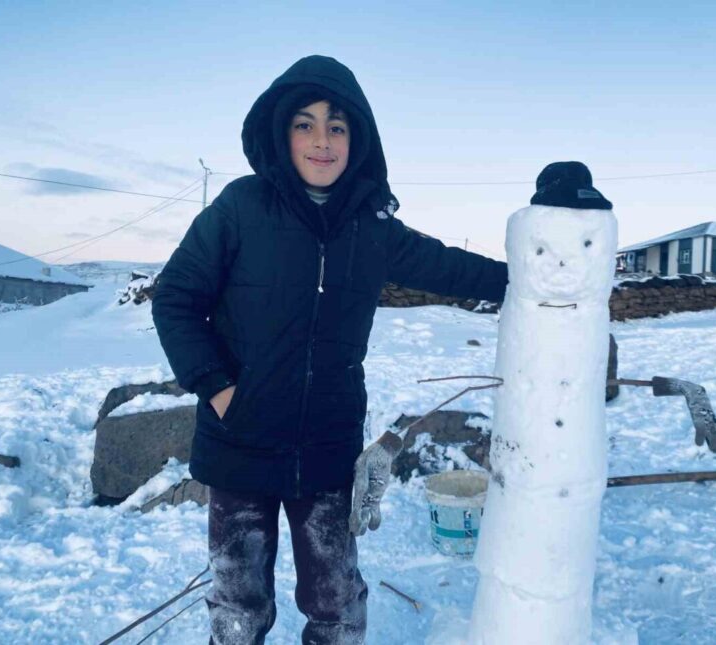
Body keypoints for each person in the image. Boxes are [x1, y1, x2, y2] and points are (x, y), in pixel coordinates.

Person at [151, 54, 508, 645]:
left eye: (337, 126)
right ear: (281, 132)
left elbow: (450, 267)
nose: (322, 140)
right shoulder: (242, 208)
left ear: (357, 140)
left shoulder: (370, 226)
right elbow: (176, 299)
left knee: (337, 606)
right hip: (238, 441)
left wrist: (543, 267)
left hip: (325, 448)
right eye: (305, 123)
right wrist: (218, 389)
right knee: (238, 608)